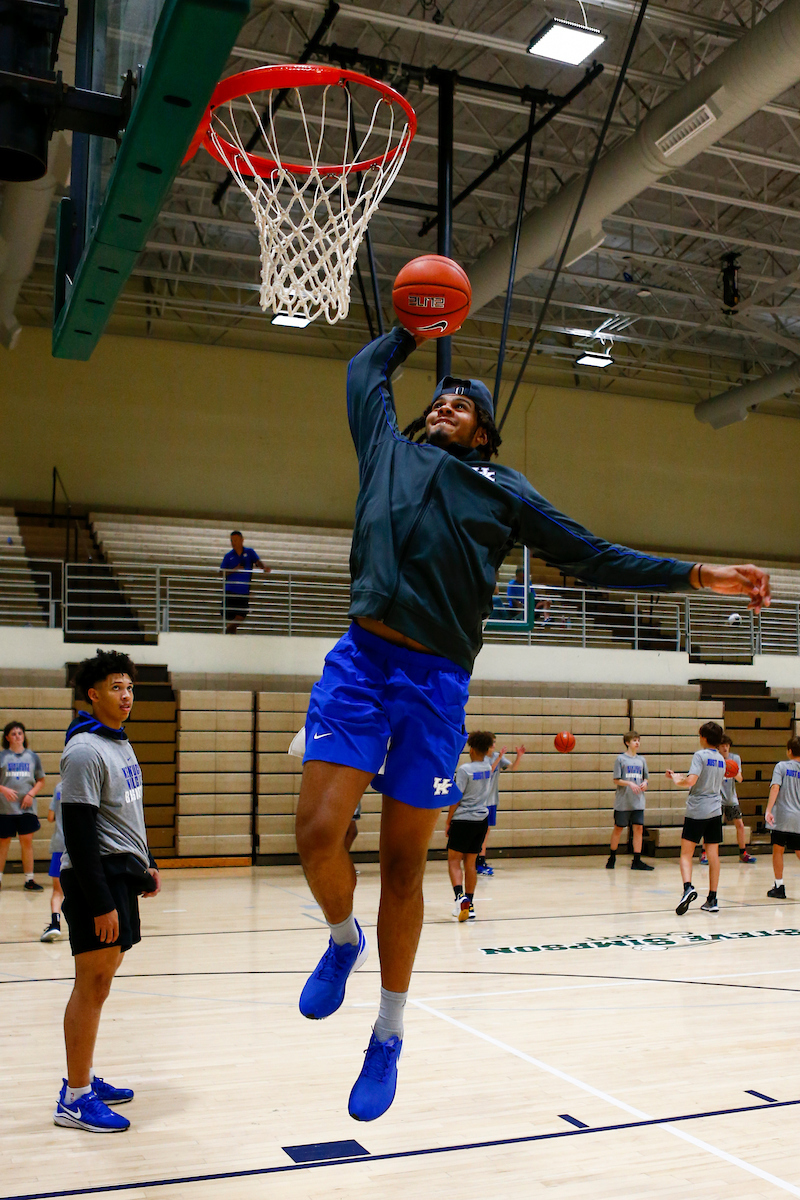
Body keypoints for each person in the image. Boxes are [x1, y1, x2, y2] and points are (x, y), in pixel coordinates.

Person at [294, 321, 771, 1123]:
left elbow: (594, 553)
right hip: (361, 662)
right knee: (316, 832)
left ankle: (388, 1031)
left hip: (435, 682)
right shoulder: (386, 447)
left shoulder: (502, 489)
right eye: (440, 397)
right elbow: (361, 370)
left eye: (463, 402)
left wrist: (700, 574)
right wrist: (415, 327)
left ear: (483, 430)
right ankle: (343, 940)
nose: (446, 402)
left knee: (406, 865)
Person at [54, 649, 160, 1134]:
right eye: (117, 688)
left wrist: (148, 863)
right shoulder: (83, 750)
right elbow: (78, 831)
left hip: (121, 874)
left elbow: (128, 814)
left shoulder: (118, 743)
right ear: (92, 695)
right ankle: (75, 1098)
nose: (126, 696)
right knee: (91, 984)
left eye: (130, 688)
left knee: (103, 980)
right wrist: (98, 902)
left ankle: (83, 1077)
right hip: (95, 881)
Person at [666, 721, 727, 915]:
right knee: (713, 855)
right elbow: (705, 780)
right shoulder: (722, 759)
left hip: (698, 810)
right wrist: (681, 776)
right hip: (715, 811)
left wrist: (677, 780)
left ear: (703, 737)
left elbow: (692, 781)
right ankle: (712, 898)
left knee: (686, 853)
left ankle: (687, 888)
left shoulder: (699, 755)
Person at [446, 731, 495, 920]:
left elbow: (456, 797)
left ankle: (460, 899)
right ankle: (471, 904)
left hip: (463, 819)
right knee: (471, 863)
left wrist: (449, 820)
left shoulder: (465, 770)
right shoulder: (488, 767)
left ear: (472, 749)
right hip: (481, 819)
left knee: (453, 861)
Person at [0, 720, 46, 891]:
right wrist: (3, 789)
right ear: (7, 737)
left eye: (20, 733)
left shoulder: (32, 757)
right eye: (13, 733)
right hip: (5, 807)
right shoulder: (2, 757)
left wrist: (30, 794)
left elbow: (41, 780)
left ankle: (29, 879)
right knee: (3, 843)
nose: (17, 736)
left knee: (26, 842)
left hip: (27, 807)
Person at [476, 736, 525, 876]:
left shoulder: (498, 756)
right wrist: (499, 758)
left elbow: (513, 768)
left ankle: (480, 860)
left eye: (494, 743)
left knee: (486, 831)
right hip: (481, 800)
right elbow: (488, 772)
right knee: (482, 831)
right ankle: (478, 861)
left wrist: (519, 756)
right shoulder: (481, 758)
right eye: (492, 743)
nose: (494, 745)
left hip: (492, 800)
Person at [606, 731, 653, 871]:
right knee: (618, 829)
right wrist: (629, 783)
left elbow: (646, 778)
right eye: (634, 740)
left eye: (638, 740)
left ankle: (637, 860)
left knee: (638, 829)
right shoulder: (620, 759)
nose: (637, 743)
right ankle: (612, 857)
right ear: (627, 743)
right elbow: (616, 780)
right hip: (623, 801)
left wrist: (645, 783)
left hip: (638, 801)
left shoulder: (641, 760)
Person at [764, 736, 800, 899]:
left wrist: (768, 810)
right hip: (799, 818)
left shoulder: (782, 766)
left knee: (778, 850)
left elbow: (775, 788)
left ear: (789, 751)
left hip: (783, 816)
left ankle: (779, 886)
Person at [219, 530, 269, 634]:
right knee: (230, 613)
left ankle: (229, 629)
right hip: (231, 590)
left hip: (243, 591)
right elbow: (221, 573)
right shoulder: (228, 556)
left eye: (236, 540)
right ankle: (230, 631)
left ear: (242, 540)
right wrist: (234, 569)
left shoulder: (249, 552)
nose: (234, 543)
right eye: (232, 541)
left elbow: (257, 562)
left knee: (241, 614)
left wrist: (263, 567)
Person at [718, 734, 756, 863]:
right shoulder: (715, 759)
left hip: (730, 797)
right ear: (717, 747)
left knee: (740, 824)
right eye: (722, 745)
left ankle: (743, 853)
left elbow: (740, 779)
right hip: (716, 798)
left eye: (727, 745)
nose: (725, 748)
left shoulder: (735, 758)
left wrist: (732, 771)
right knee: (713, 826)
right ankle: (705, 853)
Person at [41, 781, 65, 942]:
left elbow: (50, 817)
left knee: (58, 892)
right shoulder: (88, 785)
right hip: (82, 847)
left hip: (59, 844)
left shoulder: (59, 787)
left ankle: (55, 923)